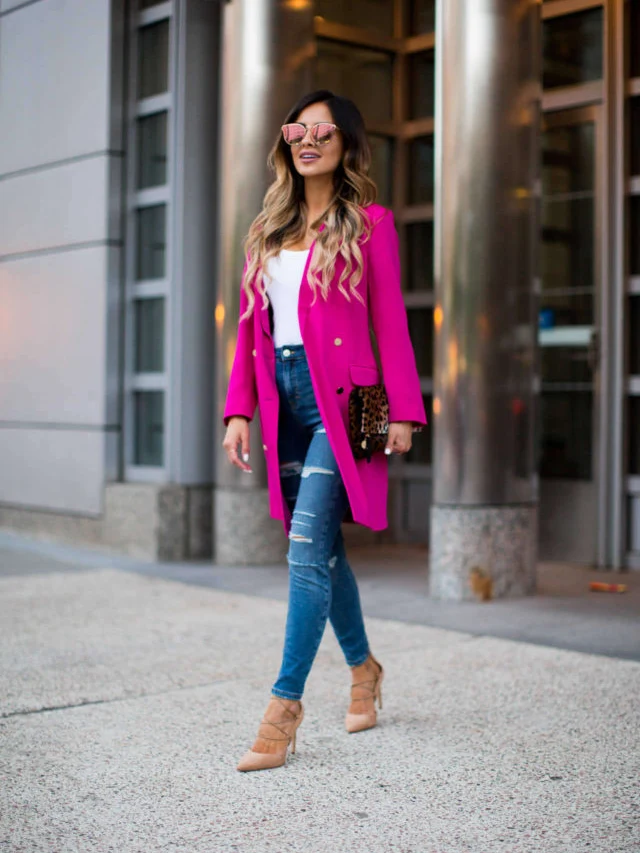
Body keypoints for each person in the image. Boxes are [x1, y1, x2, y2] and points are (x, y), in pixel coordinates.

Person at [222, 90, 427, 772]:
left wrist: (405, 409)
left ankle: (283, 708)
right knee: (321, 549)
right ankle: (364, 667)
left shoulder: (371, 224)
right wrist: (238, 409)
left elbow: (391, 321)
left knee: (306, 552)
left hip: (336, 404)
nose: (308, 140)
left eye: (323, 131)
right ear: (286, 143)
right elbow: (250, 330)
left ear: (345, 145)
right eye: (297, 130)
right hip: (279, 400)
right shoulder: (267, 230)